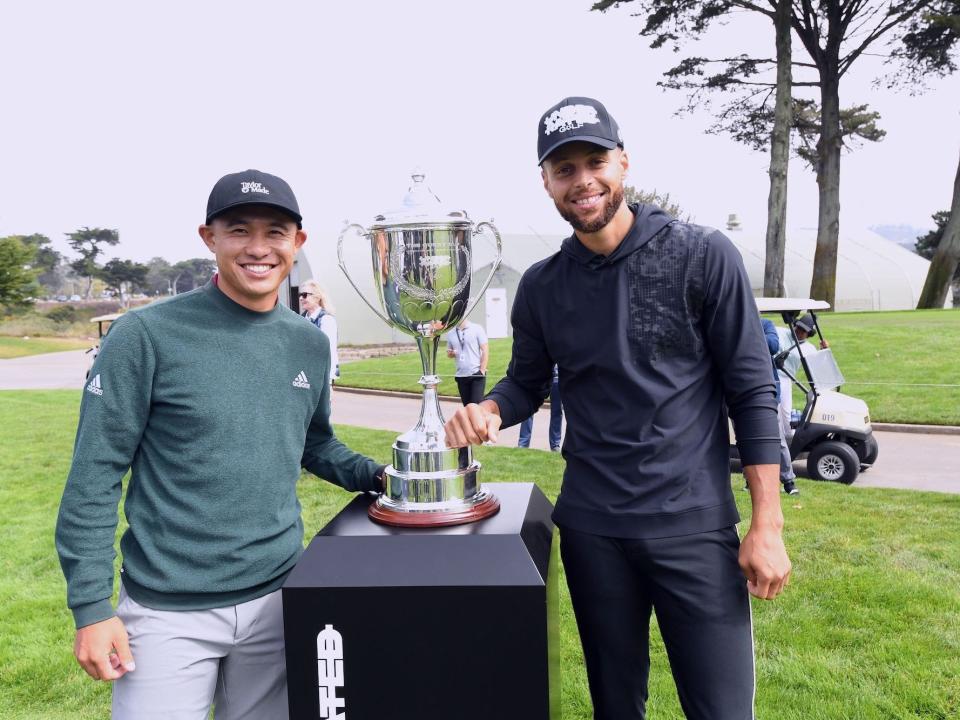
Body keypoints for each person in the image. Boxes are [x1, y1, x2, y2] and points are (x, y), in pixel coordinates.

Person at [444, 96, 791, 720]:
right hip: (592, 530)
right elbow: (527, 381)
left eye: (595, 161)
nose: (583, 181)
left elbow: (752, 392)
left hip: (692, 525)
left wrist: (767, 525)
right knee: (615, 705)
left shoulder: (702, 255)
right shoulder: (544, 285)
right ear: (546, 180)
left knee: (721, 708)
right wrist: (493, 407)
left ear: (623, 163)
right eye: (564, 168)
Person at [55, 169, 385, 720]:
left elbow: (315, 444)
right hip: (168, 611)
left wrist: (383, 477)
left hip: (278, 597)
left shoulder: (306, 342)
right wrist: (91, 607)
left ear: (297, 243)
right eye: (239, 230)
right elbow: (94, 475)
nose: (258, 248)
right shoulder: (145, 336)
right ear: (209, 237)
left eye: (275, 232)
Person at [775, 314, 828, 440]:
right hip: (770, 374)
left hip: (786, 378)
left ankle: (788, 439)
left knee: (786, 415)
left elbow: (818, 368)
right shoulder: (780, 332)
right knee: (774, 413)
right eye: (798, 327)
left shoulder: (809, 349)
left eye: (804, 330)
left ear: (809, 333)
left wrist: (824, 351)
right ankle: (776, 440)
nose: (799, 331)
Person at [762, 316, 800, 495]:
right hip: (737, 389)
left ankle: (788, 481)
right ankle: (750, 479)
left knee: (778, 439)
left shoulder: (765, 324)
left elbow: (772, 345)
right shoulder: (731, 322)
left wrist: (746, 333)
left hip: (765, 390)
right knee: (743, 440)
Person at [299, 279, 340, 385]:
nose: (300, 298)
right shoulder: (301, 319)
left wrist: (329, 379)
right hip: (303, 375)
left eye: (304, 295)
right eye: (300, 295)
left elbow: (330, 351)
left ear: (317, 297)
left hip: (320, 376)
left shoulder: (326, 320)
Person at [517, 364, 562, 451]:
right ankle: (523, 443)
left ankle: (555, 445)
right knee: (528, 408)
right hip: (537, 374)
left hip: (557, 376)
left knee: (556, 411)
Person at [445, 318, 489, 406]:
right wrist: (451, 353)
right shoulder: (450, 333)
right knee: (467, 407)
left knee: (476, 407)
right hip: (461, 375)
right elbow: (449, 354)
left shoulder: (477, 329)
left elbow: (485, 350)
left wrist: (482, 370)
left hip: (476, 374)